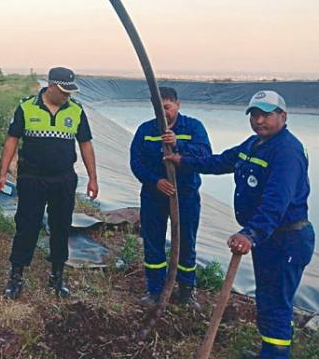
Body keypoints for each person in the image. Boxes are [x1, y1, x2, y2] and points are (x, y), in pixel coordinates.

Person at [165, 90, 314, 358]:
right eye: (254, 115)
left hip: (286, 239)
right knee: (268, 298)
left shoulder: (287, 152)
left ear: (283, 116)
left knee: (276, 302)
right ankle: (270, 349)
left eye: (266, 114)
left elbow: (276, 202)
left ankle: (275, 355)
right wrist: (184, 161)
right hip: (270, 238)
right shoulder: (255, 144)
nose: (259, 120)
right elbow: (221, 161)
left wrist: (251, 234)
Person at [0, 67, 98, 299]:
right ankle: (16, 275)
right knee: (27, 225)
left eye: (70, 91)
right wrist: (3, 173)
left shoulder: (77, 111)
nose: (67, 96)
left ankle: (57, 275)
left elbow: (86, 145)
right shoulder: (26, 107)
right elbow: (12, 140)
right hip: (32, 178)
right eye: (63, 91)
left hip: (63, 179)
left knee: (61, 226)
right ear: (51, 86)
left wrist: (93, 177)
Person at [129, 87, 211, 309]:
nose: (163, 113)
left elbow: (205, 156)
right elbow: (136, 162)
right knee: (153, 241)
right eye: (159, 108)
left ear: (177, 105)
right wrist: (156, 181)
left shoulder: (193, 128)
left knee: (186, 241)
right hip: (153, 196)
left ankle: (186, 291)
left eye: (167, 107)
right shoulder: (145, 130)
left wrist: (178, 144)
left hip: (185, 195)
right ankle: (155, 290)